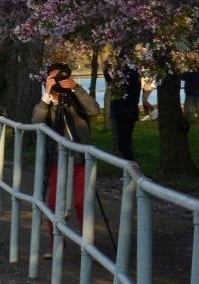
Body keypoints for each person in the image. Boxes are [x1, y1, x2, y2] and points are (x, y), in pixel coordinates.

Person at [31, 62, 101, 249]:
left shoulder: (75, 100)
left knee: (81, 202)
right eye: (53, 79)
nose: (58, 83)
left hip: (81, 159)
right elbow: (36, 121)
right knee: (55, 203)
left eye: (61, 78)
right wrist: (47, 94)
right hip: (57, 161)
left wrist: (76, 89)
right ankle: (56, 246)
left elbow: (94, 109)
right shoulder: (46, 104)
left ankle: (89, 245)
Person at [108, 59, 142, 160]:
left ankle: (131, 166)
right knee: (123, 142)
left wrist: (107, 73)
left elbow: (114, 85)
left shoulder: (129, 77)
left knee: (124, 142)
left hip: (126, 112)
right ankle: (130, 166)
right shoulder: (131, 76)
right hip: (125, 112)